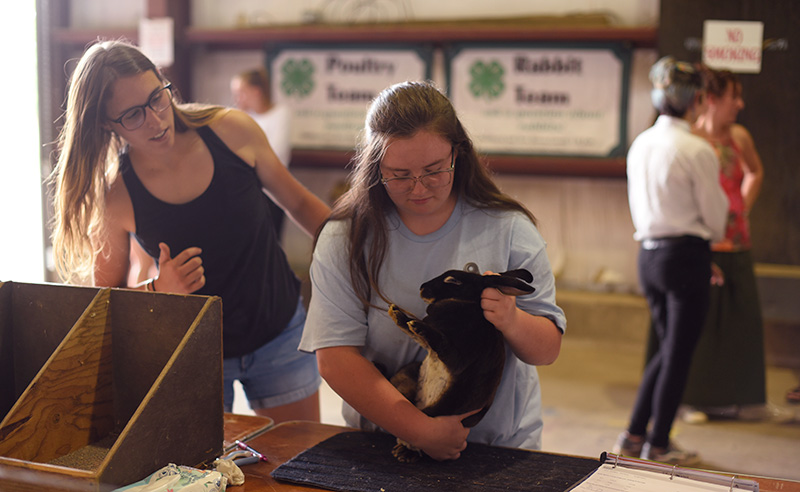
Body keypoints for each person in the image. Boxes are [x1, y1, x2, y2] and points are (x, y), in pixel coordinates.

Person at [50, 40, 331, 423]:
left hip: (278, 332)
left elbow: (299, 204)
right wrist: (156, 288)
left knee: (299, 464)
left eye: (157, 98)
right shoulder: (115, 194)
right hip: (193, 351)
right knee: (206, 474)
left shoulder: (232, 130)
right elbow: (105, 300)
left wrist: (362, 257)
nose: (155, 120)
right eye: (133, 114)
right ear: (105, 123)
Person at [298, 80, 565, 461]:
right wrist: (419, 430)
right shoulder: (346, 238)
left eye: (435, 169)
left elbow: (547, 349)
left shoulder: (507, 228)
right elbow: (336, 356)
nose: (419, 188)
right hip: (387, 439)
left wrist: (512, 319)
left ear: (459, 154)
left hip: (497, 444)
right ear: (375, 167)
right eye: (400, 174)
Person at [615, 56, 728, 465]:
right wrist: (702, 249)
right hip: (685, 257)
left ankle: (633, 435)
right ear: (697, 99)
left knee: (667, 349)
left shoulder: (641, 143)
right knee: (677, 355)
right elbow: (715, 219)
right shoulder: (697, 149)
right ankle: (658, 444)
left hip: (649, 257)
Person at [677, 67, 768, 422]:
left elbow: (755, 172)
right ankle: (690, 398)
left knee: (742, 319)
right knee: (698, 323)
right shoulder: (690, 139)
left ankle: (744, 398)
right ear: (712, 99)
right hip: (702, 243)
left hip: (737, 241)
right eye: (734, 96)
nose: (740, 104)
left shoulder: (739, 137)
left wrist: (741, 207)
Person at [230, 67, 292, 236]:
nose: (236, 98)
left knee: (272, 239)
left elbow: (276, 154)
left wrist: (247, 156)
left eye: (241, 92)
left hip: (274, 188)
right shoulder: (242, 117)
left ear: (256, 92)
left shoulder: (280, 114)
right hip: (249, 189)